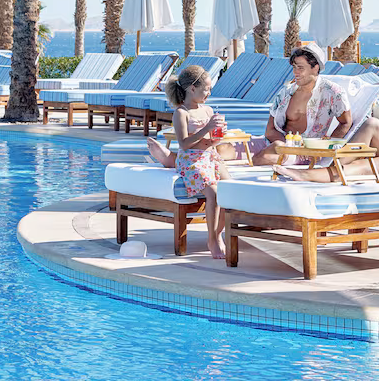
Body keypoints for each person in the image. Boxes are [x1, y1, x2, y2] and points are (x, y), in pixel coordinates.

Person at [143, 64, 230, 258]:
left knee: (231, 190)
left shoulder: (207, 110)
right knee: (213, 193)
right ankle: (212, 239)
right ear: (192, 88)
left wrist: (218, 135)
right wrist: (207, 128)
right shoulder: (181, 113)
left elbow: (211, 141)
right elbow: (184, 143)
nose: (209, 93)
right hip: (191, 160)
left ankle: (217, 233)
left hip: (210, 156)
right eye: (206, 89)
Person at [248, 45, 353, 166]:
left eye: (300, 68)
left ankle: (252, 161)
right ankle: (251, 160)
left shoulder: (333, 92)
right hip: (275, 143)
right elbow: (270, 131)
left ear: (315, 68)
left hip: (303, 154)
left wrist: (325, 147)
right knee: (225, 149)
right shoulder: (286, 92)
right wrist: (289, 146)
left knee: (271, 153)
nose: (295, 72)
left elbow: (346, 122)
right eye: (294, 67)